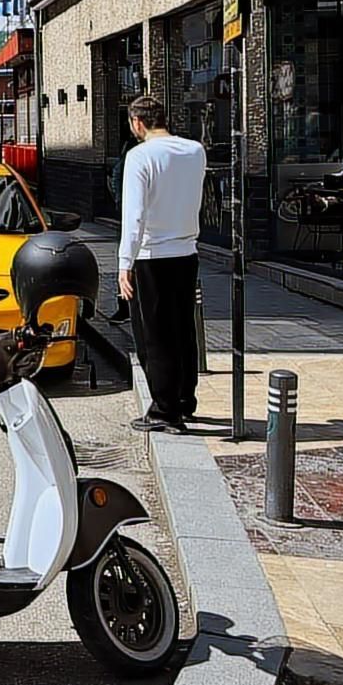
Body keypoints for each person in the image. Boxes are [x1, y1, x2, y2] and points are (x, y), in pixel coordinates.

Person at [119, 95, 207, 434]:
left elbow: (134, 214)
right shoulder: (195, 151)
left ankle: (164, 410)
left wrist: (125, 263)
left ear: (137, 123)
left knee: (154, 336)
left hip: (151, 255)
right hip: (187, 251)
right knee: (183, 329)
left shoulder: (139, 156)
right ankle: (186, 398)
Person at [109, 128, 140, 324]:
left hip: (131, 216)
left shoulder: (130, 155)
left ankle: (126, 308)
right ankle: (126, 307)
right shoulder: (133, 155)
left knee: (128, 261)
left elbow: (115, 180)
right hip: (133, 217)